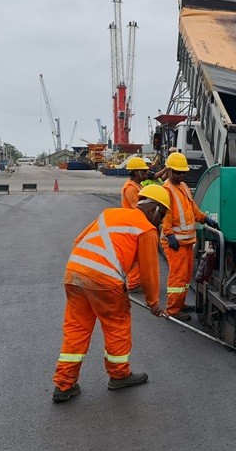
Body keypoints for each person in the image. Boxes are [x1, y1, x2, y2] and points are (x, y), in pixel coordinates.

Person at [51, 186, 171, 404]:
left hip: (74, 272)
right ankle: (119, 375)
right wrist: (153, 303)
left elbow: (79, 240)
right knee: (117, 323)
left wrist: (89, 271)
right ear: (153, 208)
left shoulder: (109, 213)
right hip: (103, 279)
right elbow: (149, 272)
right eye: (161, 215)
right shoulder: (145, 229)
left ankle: (63, 384)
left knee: (76, 328)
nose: (160, 221)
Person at [161, 151, 217, 321]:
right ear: (169, 171)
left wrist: (204, 218)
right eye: (178, 172)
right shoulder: (166, 190)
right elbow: (165, 216)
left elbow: (191, 208)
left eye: (183, 172)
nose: (182, 175)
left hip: (186, 241)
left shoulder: (183, 186)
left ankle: (180, 303)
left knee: (186, 276)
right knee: (177, 277)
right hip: (174, 242)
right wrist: (170, 235)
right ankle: (172, 310)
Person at [121, 156, 150, 291]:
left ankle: (136, 281)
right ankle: (133, 283)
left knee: (140, 255)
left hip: (137, 225)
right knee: (135, 255)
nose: (146, 173)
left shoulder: (137, 186)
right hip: (133, 226)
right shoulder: (130, 188)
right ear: (136, 172)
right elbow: (137, 208)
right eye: (143, 171)